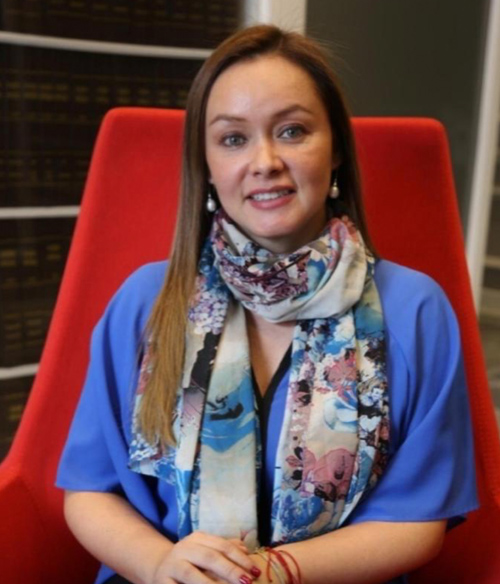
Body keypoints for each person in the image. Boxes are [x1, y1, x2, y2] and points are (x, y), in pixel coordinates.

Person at [56, 24, 478, 584]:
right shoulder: (145, 302)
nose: (265, 161)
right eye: (233, 139)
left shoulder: (415, 310)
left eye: (292, 131)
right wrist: (159, 563)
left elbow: (415, 522)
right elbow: (90, 490)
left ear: (336, 151)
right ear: (207, 165)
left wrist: (269, 575)